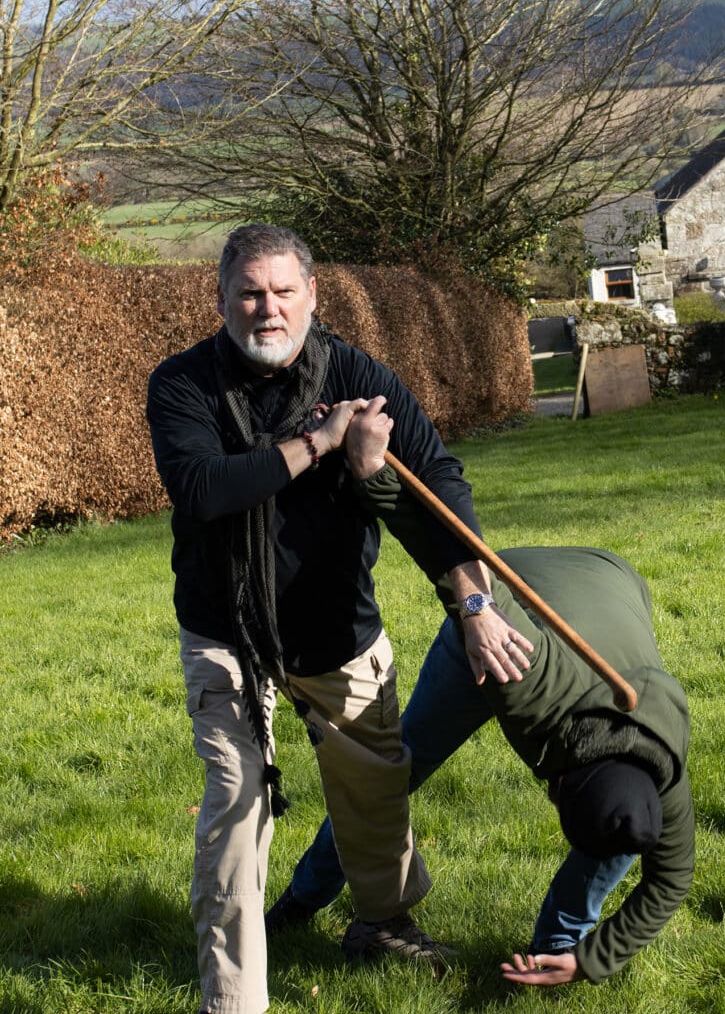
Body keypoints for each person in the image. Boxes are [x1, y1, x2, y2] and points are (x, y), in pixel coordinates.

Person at [145, 224, 532, 1014]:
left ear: (312, 296)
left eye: (283, 291)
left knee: (374, 795)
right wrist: (319, 443)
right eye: (250, 292)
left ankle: (383, 924)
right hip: (229, 636)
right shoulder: (181, 383)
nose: (267, 308)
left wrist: (476, 602)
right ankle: (233, 1000)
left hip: (336, 630)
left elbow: (439, 488)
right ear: (221, 300)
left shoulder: (361, 375)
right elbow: (204, 489)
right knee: (235, 805)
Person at [265, 452, 694, 986]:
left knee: (618, 824)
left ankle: (558, 953)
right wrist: (374, 473)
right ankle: (300, 902)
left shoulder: (663, 764)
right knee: (389, 774)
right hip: (506, 612)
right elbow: (443, 545)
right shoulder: (529, 679)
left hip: (610, 579)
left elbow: (672, 879)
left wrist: (593, 959)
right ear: (555, 786)